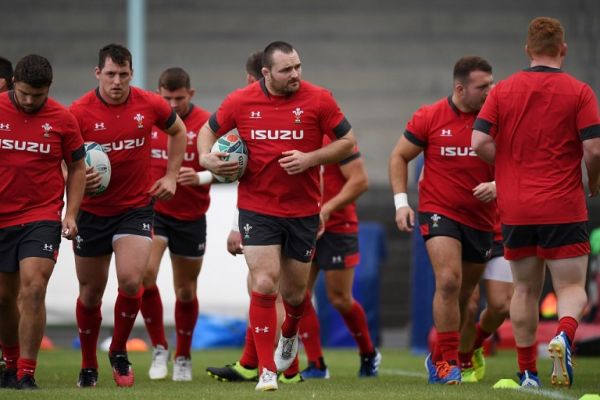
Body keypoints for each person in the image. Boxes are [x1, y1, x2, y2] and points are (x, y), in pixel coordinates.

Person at [198, 41, 356, 392]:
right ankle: (268, 371)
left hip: (302, 211)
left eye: (298, 66)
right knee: (265, 283)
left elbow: (347, 142)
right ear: (266, 73)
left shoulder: (320, 99)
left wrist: (311, 158)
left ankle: (289, 336)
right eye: (287, 70)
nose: (295, 74)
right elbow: (207, 130)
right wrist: (206, 157)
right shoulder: (240, 100)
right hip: (258, 208)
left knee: (296, 295)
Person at [472, 17, 600, 388]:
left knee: (524, 289)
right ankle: (563, 335)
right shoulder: (580, 92)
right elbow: (593, 148)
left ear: (527, 50)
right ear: (563, 49)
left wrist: (508, 168)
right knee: (570, 288)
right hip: (562, 204)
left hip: (516, 207)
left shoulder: (503, 90)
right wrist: (594, 180)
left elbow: (479, 143)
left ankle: (527, 372)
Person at [69, 44, 187, 388]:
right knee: (90, 294)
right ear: (98, 74)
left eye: (123, 74)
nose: (117, 81)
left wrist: (171, 175)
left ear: (132, 74)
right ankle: (88, 364)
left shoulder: (150, 103)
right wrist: (75, 179)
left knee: (133, 280)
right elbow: (63, 158)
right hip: (91, 213)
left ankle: (118, 349)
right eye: (110, 74)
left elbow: (177, 132)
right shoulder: (78, 112)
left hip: (135, 209)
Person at [389, 56, 495, 385]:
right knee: (448, 281)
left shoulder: (496, 120)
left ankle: (438, 355)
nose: (489, 92)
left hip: (481, 218)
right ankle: (448, 363)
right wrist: (401, 203)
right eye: (482, 87)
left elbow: (517, 160)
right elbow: (399, 156)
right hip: (439, 211)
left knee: (468, 297)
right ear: (460, 88)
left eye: (491, 85)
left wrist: (498, 185)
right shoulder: (430, 116)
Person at [0, 54, 86, 389]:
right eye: (24, 94)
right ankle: (9, 363)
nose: (31, 101)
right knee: (4, 298)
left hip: (40, 216)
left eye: (38, 95)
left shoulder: (63, 119)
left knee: (34, 288)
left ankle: (26, 371)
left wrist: (71, 212)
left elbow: (77, 166)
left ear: (49, 88)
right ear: (14, 85)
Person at [140, 67, 212, 382]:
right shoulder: (149, 119)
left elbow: (232, 168)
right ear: (158, 94)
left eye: (178, 99)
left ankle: (183, 355)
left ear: (190, 95)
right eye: (165, 98)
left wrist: (200, 177)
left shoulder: (207, 124)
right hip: (153, 212)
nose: (171, 105)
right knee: (145, 276)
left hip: (191, 217)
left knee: (185, 291)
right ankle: (159, 346)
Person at [298, 137, 380, 379]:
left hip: (338, 227)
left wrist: (327, 208)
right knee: (297, 295)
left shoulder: (336, 139)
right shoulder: (294, 133)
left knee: (340, 298)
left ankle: (368, 353)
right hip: (304, 226)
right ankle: (316, 364)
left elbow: (360, 181)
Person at [458, 207, 513, 383]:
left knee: (501, 306)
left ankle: (476, 343)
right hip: (464, 228)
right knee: (469, 304)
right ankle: (463, 361)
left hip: (496, 232)